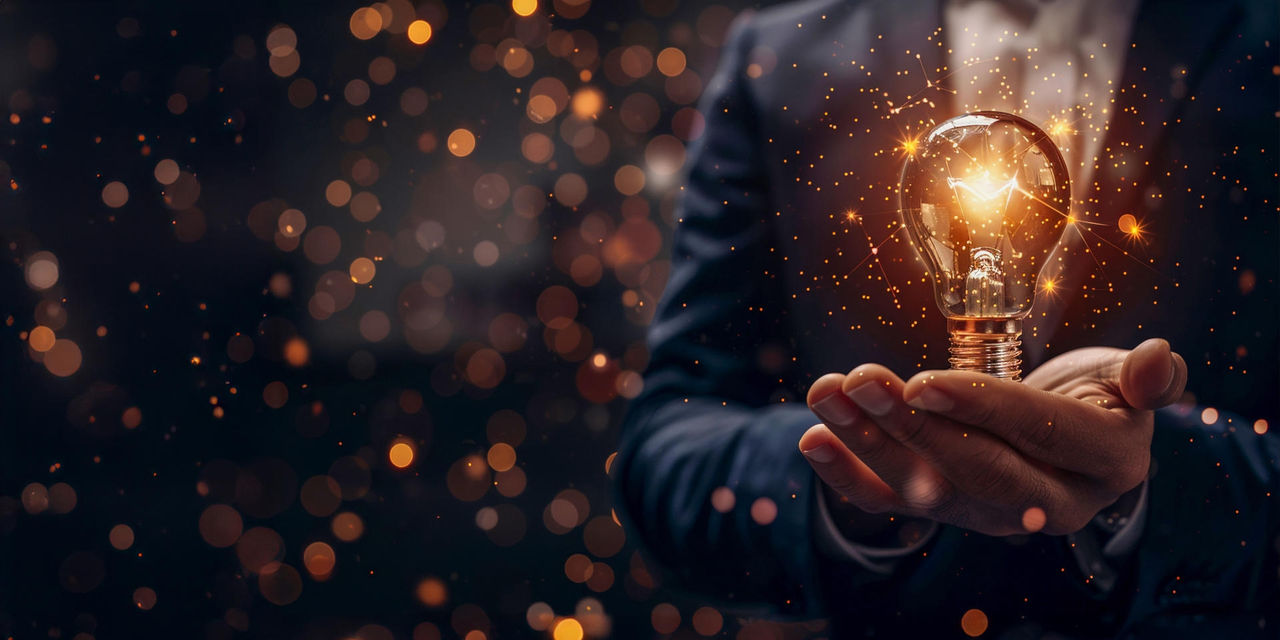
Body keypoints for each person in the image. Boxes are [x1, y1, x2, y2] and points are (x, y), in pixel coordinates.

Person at [613, 0, 1280, 636]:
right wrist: (849, 477)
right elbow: (666, 448)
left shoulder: (1262, 38)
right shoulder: (783, 57)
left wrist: (1158, 475)